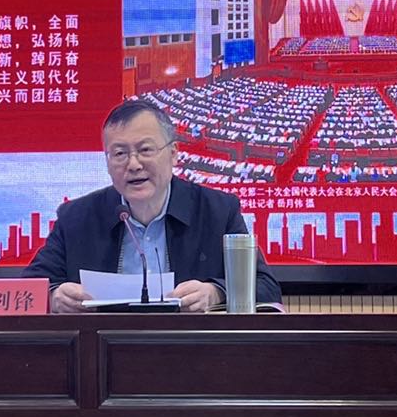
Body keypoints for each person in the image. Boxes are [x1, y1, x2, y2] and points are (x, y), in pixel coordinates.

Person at [23, 99, 281, 313]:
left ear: (173, 153)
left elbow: (266, 287)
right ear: (107, 162)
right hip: (101, 350)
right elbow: (28, 289)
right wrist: (54, 297)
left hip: (191, 350)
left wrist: (216, 292)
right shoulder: (76, 217)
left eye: (145, 150)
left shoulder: (217, 211)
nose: (134, 165)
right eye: (120, 154)